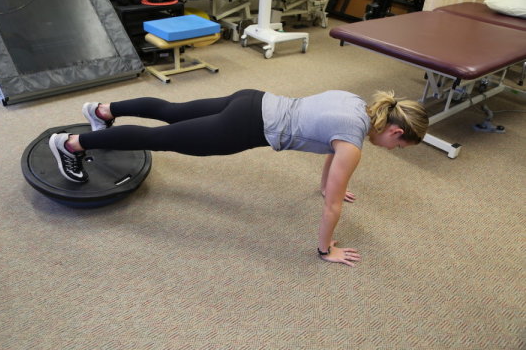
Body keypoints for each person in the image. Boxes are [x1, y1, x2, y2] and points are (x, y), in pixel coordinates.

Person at [49, 89, 428, 266]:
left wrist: (328, 183)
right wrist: (326, 249)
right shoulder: (352, 142)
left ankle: (101, 109)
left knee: (171, 111)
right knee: (157, 139)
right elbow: (332, 205)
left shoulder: (355, 103)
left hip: (252, 100)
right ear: (396, 132)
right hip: (243, 127)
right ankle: (71, 145)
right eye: (401, 147)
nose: (394, 151)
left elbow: (329, 153)